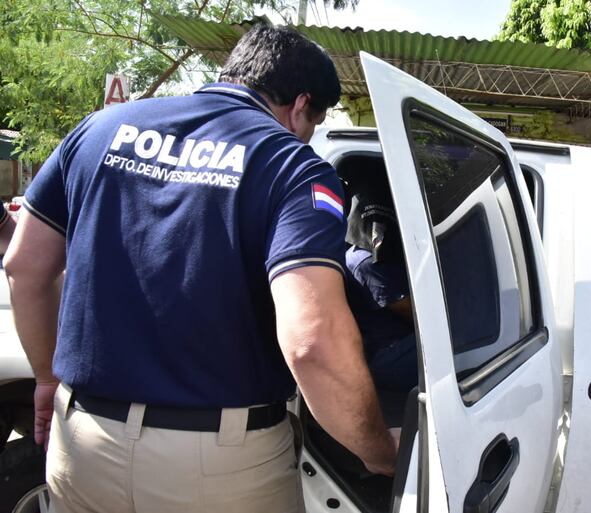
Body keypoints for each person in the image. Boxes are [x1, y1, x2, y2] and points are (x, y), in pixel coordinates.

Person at [4, 24, 396, 513]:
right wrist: (378, 451)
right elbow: (311, 341)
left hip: (83, 443)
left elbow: (23, 266)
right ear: (300, 105)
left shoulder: (98, 131)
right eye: (313, 120)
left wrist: (46, 377)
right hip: (219, 469)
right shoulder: (291, 166)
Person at [344, 172, 418, 395]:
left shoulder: (366, 253)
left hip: (393, 345)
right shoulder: (367, 261)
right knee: (464, 344)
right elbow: (413, 315)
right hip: (387, 354)